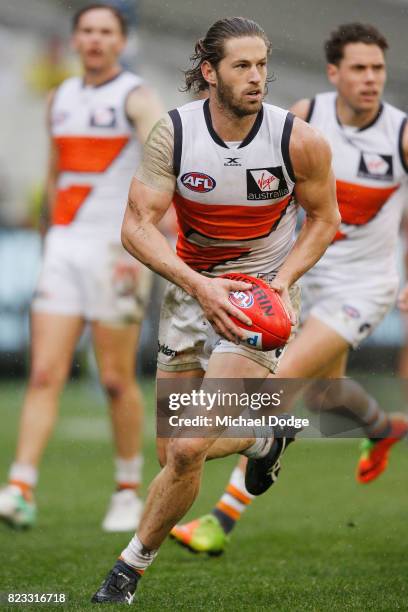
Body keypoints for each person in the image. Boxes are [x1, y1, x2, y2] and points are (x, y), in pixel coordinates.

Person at [91, 16, 340, 603]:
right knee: (171, 455)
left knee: (186, 446)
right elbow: (136, 227)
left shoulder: (296, 139)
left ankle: (129, 569)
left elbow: (326, 219)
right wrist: (198, 286)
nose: (258, 78)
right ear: (209, 71)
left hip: (260, 300)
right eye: (242, 67)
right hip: (189, 289)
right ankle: (264, 439)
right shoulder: (173, 135)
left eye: (262, 65)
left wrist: (279, 282)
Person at [170, 22, 408, 557]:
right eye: (359, 69)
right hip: (303, 273)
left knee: (279, 385)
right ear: (334, 74)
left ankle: (220, 520)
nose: (371, 79)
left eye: (378, 69)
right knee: (325, 394)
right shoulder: (303, 119)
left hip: (362, 288)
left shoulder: (400, 134)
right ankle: (384, 428)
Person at [0, 3, 163, 532]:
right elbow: (54, 172)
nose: (94, 40)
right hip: (65, 251)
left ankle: (126, 491)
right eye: (87, 31)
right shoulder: (59, 97)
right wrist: (51, 238)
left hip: (116, 253)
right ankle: (20, 487)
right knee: (45, 373)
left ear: (122, 40)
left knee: (116, 379)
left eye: (105, 32)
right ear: (74, 39)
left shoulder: (137, 97)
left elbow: (165, 168)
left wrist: (147, 243)